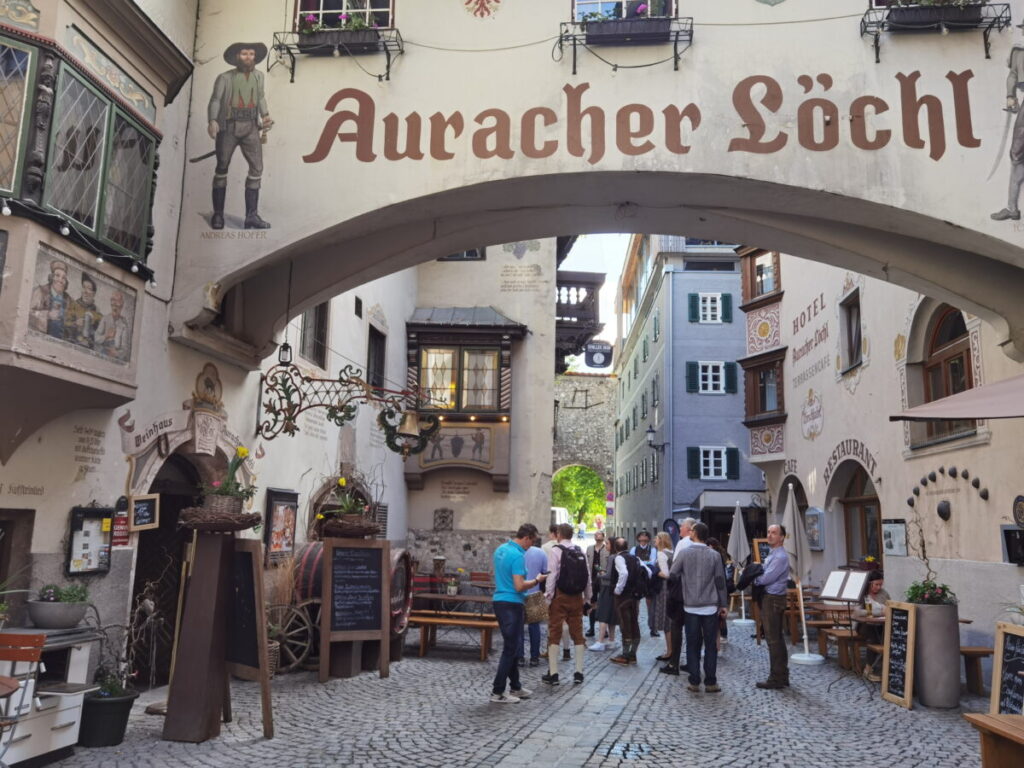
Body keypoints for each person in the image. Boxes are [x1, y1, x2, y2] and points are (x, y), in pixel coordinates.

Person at [208, 42, 273, 230]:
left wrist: (265, 114)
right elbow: (215, 100)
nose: (248, 57)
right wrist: (212, 120)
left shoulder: (259, 77)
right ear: (237, 56)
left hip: (251, 127)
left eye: (251, 54)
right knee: (222, 166)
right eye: (244, 53)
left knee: (257, 168)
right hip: (228, 126)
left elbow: (260, 97)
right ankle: (218, 215)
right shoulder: (224, 78)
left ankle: (251, 216)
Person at [490, 523, 546, 703]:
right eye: (532, 541)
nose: (532, 545)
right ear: (526, 537)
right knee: (510, 649)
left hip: (499, 601)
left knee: (512, 646)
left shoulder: (500, 549)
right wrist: (536, 580)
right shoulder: (518, 556)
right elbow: (519, 586)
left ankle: (515, 687)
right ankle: (497, 692)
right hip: (512, 604)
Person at [677, 522, 728, 693]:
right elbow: (720, 581)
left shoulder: (684, 553)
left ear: (695, 534)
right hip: (710, 606)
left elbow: (673, 574)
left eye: (691, 530)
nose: (689, 532)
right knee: (710, 644)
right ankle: (711, 682)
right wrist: (723, 604)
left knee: (692, 644)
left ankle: (694, 680)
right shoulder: (714, 555)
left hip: (690, 605)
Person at [542, 523, 592, 685]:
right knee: (577, 633)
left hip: (560, 596)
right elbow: (588, 577)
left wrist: (548, 598)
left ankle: (554, 673)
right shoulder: (580, 551)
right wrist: (587, 598)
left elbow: (552, 576)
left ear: (558, 534)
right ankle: (578, 672)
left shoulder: (555, 551)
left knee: (554, 632)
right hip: (577, 597)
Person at [992, 22, 1024, 222]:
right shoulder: (1019, 50)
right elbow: (1013, 74)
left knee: (1017, 153)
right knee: (1017, 153)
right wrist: (1011, 96)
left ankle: (1012, 207)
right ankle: (1012, 207)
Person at [754, 524, 791, 690]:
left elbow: (766, 578)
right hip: (773, 598)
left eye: (774, 533)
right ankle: (781, 674)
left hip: (773, 598)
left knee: (773, 639)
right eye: (768, 532)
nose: (769, 535)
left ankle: (776, 677)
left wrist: (753, 579)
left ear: (782, 537)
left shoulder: (780, 557)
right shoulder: (774, 553)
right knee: (777, 638)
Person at [662, 517, 697, 675]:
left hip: (681, 591)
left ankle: (673, 663)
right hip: (695, 592)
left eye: (682, 526)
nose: (680, 528)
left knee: (676, 626)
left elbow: (675, 569)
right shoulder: (699, 544)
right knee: (693, 630)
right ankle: (692, 662)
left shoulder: (683, 543)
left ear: (690, 529)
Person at [853, 569, 890, 680]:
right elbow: (857, 612)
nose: (878, 587)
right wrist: (877, 612)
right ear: (869, 583)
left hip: (880, 625)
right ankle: (869, 669)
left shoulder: (884, 593)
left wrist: (884, 611)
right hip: (863, 626)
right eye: (876, 584)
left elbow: (890, 608)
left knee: (886, 633)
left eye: (880, 584)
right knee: (873, 634)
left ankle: (886, 668)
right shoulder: (861, 594)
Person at [610, 537, 641, 665]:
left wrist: (618, 589)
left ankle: (625, 655)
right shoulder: (635, 557)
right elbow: (647, 571)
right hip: (634, 595)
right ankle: (632, 654)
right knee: (634, 623)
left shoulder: (618, 558)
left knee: (625, 624)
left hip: (623, 596)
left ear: (615, 547)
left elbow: (624, 573)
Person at [521, 532, 548, 667]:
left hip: (519, 593)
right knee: (534, 627)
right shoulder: (541, 553)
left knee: (519, 627)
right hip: (535, 593)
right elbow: (545, 573)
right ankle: (534, 657)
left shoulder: (516, 552)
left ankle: (519, 657)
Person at [590, 536, 618, 651]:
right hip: (614, 589)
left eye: (607, 543)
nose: (606, 545)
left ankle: (600, 641)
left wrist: (599, 574)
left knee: (603, 615)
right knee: (611, 616)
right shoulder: (618, 556)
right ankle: (612, 640)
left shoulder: (612, 557)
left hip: (607, 588)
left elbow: (608, 575)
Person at [28, 259, 70, 337]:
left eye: (64, 278)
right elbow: (28, 313)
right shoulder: (40, 291)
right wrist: (47, 314)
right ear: (51, 277)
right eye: (57, 275)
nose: (60, 280)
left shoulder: (68, 299)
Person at [630, 531, 659, 638]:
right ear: (638, 538)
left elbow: (652, 562)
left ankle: (653, 627)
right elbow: (632, 561)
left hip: (648, 578)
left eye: (646, 535)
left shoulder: (652, 549)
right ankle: (634, 627)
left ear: (648, 538)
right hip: (637, 578)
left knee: (650, 604)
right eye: (641, 535)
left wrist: (641, 562)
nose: (643, 537)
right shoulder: (634, 549)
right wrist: (643, 562)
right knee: (635, 604)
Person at [64, 273, 102, 348]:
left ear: (93, 293)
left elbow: (99, 336)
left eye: (89, 289)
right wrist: (75, 323)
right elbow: (64, 324)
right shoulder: (73, 306)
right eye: (84, 287)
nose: (85, 291)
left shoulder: (98, 314)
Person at [652, 532, 674, 660]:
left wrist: (653, 570)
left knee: (667, 622)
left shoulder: (661, 554)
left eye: (657, 538)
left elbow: (666, 574)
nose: (655, 540)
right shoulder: (671, 552)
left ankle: (669, 651)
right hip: (671, 589)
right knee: (669, 622)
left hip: (664, 589)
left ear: (661, 540)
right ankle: (670, 650)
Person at [95, 290, 130, 361]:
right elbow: (96, 338)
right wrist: (106, 336)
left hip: (116, 357)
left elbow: (125, 349)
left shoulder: (123, 324)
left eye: (118, 302)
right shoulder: (105, 319)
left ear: (122, 305)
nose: (115, 306)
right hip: (102, 354)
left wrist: (116, 353)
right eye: (113, 302)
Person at [585, 530, 606, 637]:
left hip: (604, 580)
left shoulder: (607, 549)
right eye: (596, 534)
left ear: (603, 536)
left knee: (603, 604)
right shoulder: (589, 548)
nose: (597, 535)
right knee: (592, 603)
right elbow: (585, 564)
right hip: (592, 580)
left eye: (600, 534)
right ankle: (592, 628)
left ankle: (604, 630)